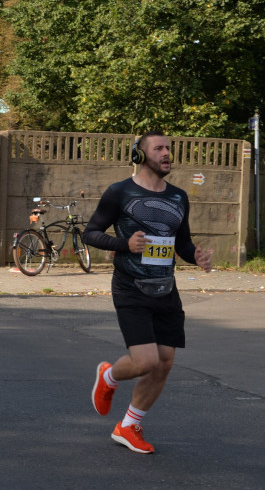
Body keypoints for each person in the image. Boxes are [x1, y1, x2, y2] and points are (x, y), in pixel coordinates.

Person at [83, 130, 213, 454]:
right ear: (140, 155)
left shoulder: (179, 197)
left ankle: (128, 425)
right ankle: (109, 376)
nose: (167, 153)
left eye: (169, 148)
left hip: (165, 290)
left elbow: (181, 242)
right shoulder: (119, 193)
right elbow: (91, 233)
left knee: (165, 362)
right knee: (146, 362)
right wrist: (123, 244)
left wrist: (194, 255)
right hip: (130, 288)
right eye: (159, 148)